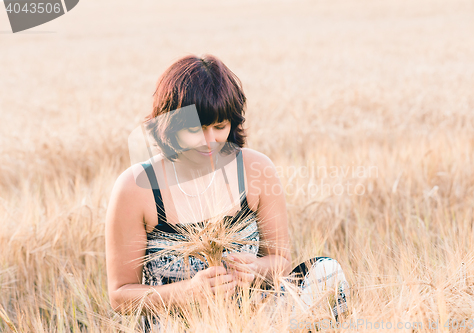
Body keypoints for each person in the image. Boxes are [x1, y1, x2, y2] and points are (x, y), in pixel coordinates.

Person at [105, 54, 349, 330]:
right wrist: (186, 293)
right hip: (176, 326)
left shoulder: (257, 169)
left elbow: (280, 262)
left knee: (326, 274)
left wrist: (255, 270)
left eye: (219, 127)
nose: (210, 142)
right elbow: (120, 295)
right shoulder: (137, 187)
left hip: (254, 320)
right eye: (194, 130)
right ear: (169, 126)